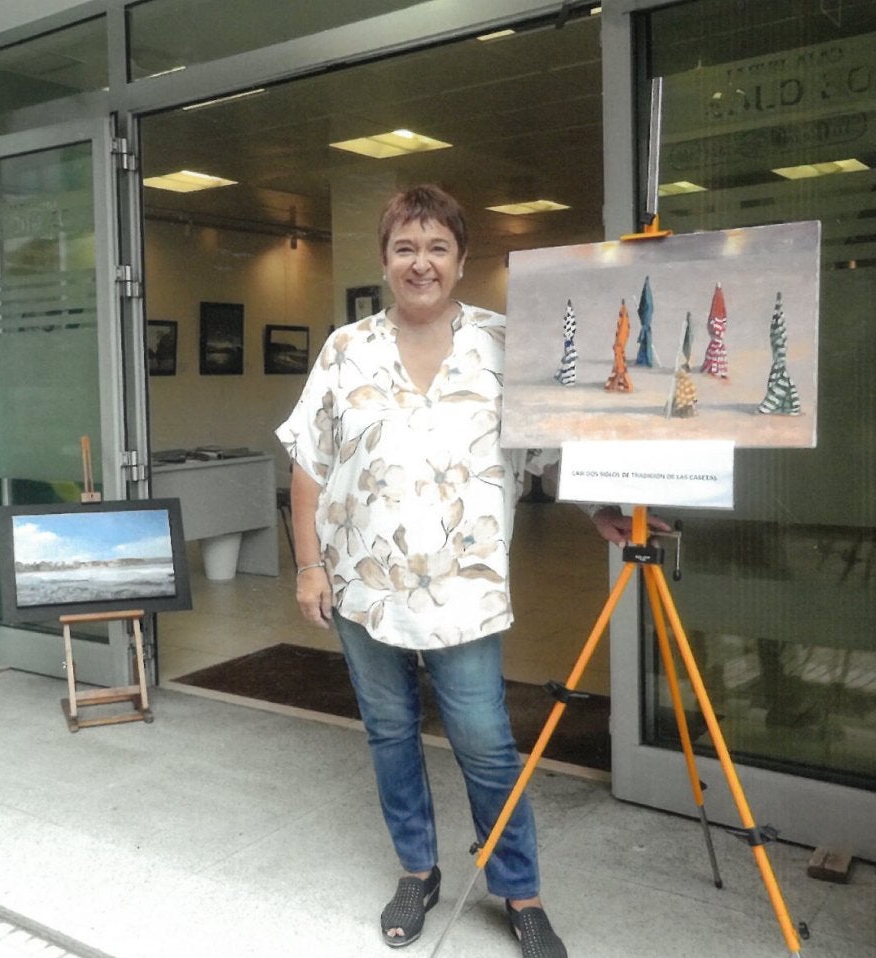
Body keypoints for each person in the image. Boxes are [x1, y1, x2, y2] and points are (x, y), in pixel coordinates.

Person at [275, 184, 645, 957]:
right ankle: (418, 869)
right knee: (389, 731)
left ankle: (520, 890)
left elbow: (544, 451)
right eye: (406, 247)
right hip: (362, 586)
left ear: (461, 259)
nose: (421, 263)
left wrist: (596, 509)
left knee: (484, 742)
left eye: (437, 247)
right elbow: (308, 469)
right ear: (385, 259)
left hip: (464, 592)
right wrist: (309, 567)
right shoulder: (347, 350)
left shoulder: (503, 343)